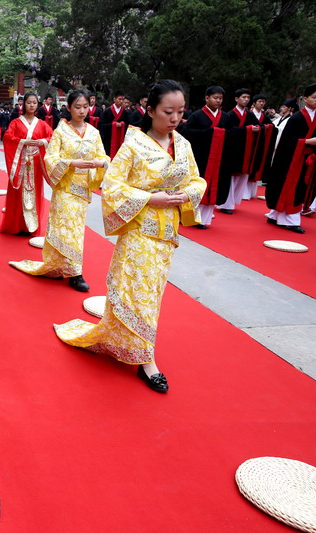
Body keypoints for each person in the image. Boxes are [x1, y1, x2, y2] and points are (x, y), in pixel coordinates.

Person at [53, 80, 206, 393]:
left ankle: (124, 340)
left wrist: (186, 194)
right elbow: (112, 187)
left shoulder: (183, 145)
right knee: (136, 290)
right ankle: (145, 359)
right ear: (150, 110)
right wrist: (150, 198)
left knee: (152, 291)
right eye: (168, 111)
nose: (175, 118)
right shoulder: (134, 145)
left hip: (167, 232)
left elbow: (196, 180)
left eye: (180, 111)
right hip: (139, 230)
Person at [9, 89, 109, 291]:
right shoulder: (61, 132)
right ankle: (75, 272)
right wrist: (71, 163)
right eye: (77, 107)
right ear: (69, 108)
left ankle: (59, 266)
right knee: (65, 228)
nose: (82, 111)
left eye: (85, 107)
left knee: (76, 229)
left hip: (82, 190)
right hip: (65, 187)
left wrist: (101, 163)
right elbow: (51, 159)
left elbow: (103, 156)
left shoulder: (94, 133)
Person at [0, 92, 54, 235]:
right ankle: (17, 225)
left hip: (36, 163)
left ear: (38, 105)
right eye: (29, 102)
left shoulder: (42, 124)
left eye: (34, 103)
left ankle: (31, 227)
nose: (31, 105)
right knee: (18, 193)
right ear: (24, 104)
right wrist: (23, 142)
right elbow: (8, 137)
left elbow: (52, 137)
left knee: (35, 191)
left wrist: (43, 141)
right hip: (20, 162)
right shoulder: (16, 122)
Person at [265, 83, 316, 232]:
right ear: (305, 98)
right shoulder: (297, 118)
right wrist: (307, 142)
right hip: (291, 158)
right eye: (314, 97)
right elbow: (286, 141)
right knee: (289, 187)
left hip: (308, 160)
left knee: (300, 187)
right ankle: (290, 220)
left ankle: (275, 214)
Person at [179, 86, 231, 228]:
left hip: (218, 159)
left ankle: (204, 219)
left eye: (220, 98)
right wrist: (208, 133)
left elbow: (232, 134)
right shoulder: (197, 115)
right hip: (201, 157)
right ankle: (189, 215)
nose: (218, 101)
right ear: (207, 98)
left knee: (213, 187)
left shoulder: (225, 117)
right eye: (215, 98)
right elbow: (187, 133)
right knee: (197, 185)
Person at [216, 88, 260, 214]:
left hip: (245, 150)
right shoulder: (229, 114)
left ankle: (232, 202)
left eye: (248, 98)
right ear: (236, 99)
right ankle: (225, 204)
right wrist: (248, 129)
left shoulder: (249, 115)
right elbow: (229, 130)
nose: (246, 100)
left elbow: (260, 125)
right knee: (230, 177)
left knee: (241, 176)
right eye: (243, 97)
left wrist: (259, 128)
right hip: (232, 149)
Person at [246, 93, 277, 200]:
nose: (262, 103)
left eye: (263, 102)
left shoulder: (265, 117)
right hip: (249, 144)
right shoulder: (249, 114)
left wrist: (266, 127)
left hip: (260, 145)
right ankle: (244, 193)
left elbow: (273, 128)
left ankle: (252, 192)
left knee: (257, 166)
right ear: (254, 103)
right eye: (259, 101)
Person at [98, 91, 130, 158]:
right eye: (119, 99)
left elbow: (128, 125)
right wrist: (113, 125)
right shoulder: (107, 111)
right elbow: (101, 125)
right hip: (109, 138)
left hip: (120, 138)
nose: (121, 101)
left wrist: (122, 124)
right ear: (114, 99)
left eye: (123, 99)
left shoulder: (125, 112)